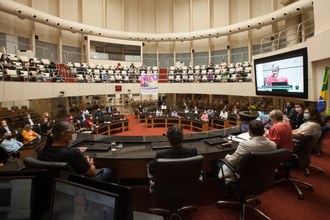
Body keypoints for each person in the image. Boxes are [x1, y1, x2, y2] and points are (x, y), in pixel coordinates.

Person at [38, 121, 114, 180]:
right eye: (73, 133)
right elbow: (92, 172)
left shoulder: (42, 150)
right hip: (80, 183)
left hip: (57, 183)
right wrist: (90, 164)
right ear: (64, 135)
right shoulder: (72, 153)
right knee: (110, 170)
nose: (75, 135)